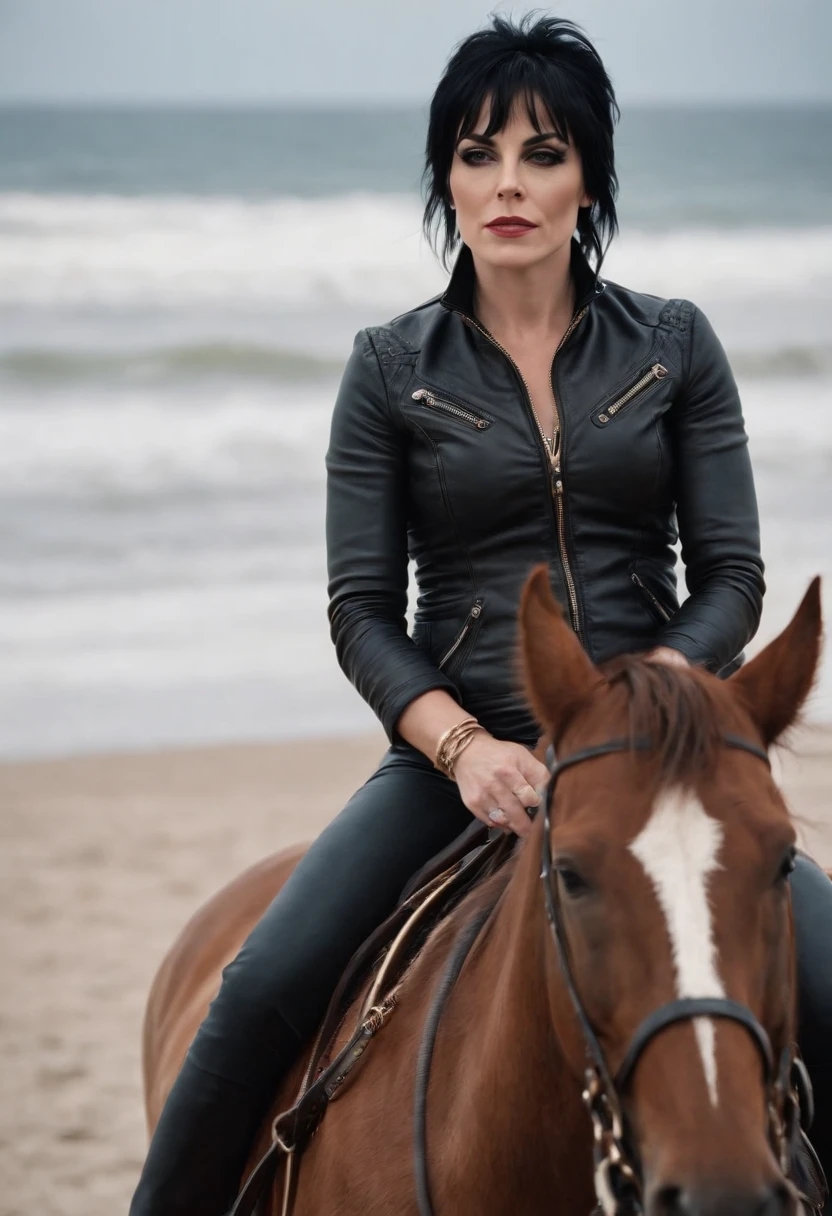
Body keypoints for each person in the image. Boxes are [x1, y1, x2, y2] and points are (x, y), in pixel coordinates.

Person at [130, 14, 832, 1214]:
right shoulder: (387, 364)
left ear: (589, 179)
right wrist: (460, 745)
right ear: (445, 177)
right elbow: (361, 610)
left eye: (543, 152)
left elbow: (731, 575)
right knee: (255, 992)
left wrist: (641, 696)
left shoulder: (675, 344)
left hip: (655, 743)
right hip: (460, 751)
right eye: (476, 152)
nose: (507, 181)